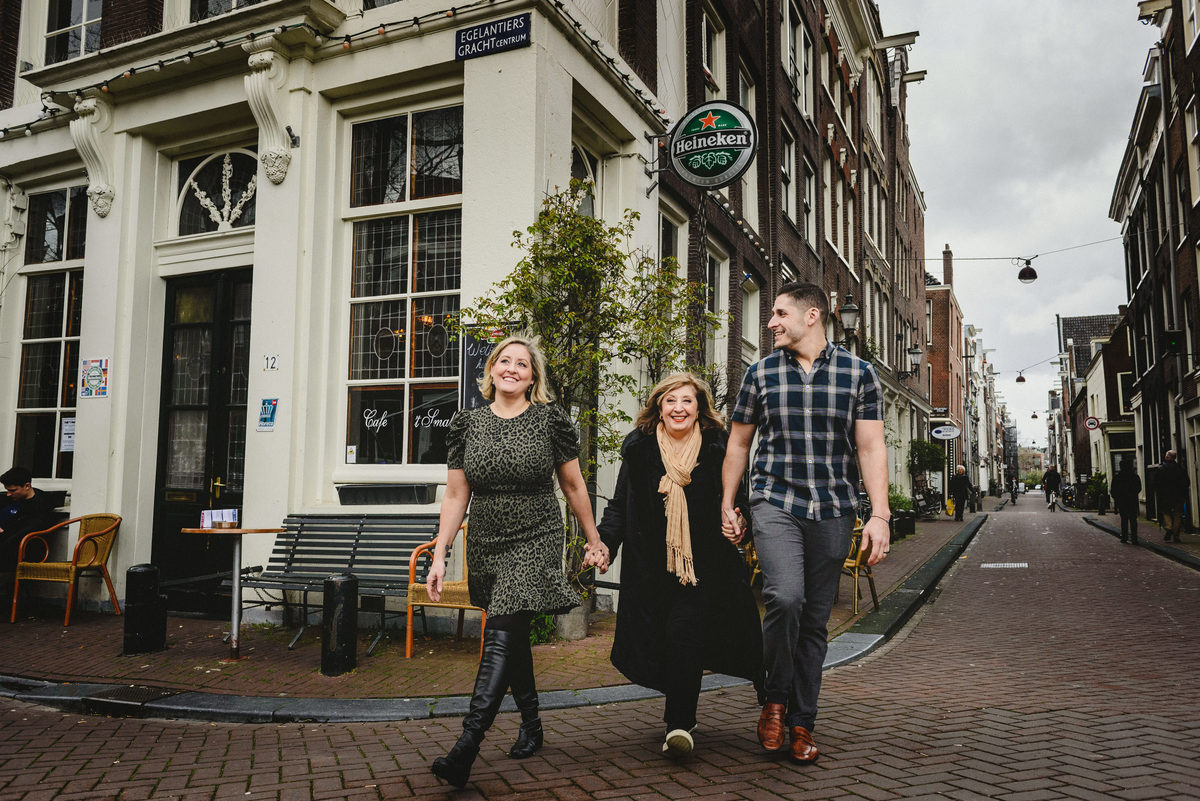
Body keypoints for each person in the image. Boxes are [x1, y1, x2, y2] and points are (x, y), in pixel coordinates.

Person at [425, 335, 610, 788]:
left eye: (522, 364)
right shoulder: (466, 423)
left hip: (536, 533)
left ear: (533, 377)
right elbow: (455, 494)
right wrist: (440, 552)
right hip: (488, 536)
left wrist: (595, 539)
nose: (511, 368)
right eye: (503, 361)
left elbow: (572, 486)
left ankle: (468, 742)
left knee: (501, 627)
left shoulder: (550, 421)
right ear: (490, 371)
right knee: (511, 629)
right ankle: (532, 723)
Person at [721, 282, 890, 765]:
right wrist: (728, 503)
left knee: (815, 620)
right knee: (785, 597)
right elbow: (738, 444)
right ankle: (774, 701)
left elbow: (871, 447)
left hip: (834, 508)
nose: (770, 322)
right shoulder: (760, 373)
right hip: (775, 501)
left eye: (779, 313)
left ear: (811, 315)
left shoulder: (859, 375)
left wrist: (879, 514)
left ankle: (802, 722)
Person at [597, 373, 762, 759]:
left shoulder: (719, 447)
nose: (678, 408)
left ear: (699, 408)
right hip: (651, 570)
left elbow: (741, 501)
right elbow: (621, 505)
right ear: (658, 407)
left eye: (687, 401)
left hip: (705, 568)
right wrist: (605, 543)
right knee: (665, 642)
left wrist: (740, 525)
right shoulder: (639, 449)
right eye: (670, 401)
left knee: (685, 632)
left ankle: (679, 723)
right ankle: (682, 716)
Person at [1, 467, 59, 569]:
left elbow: (25, 532)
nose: (8, 494)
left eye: (13, 490)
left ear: (27, 486)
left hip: (21, 550)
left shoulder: (40, 505)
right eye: (7, 490)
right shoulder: (11, 499)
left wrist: (3, 532)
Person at [1156, 450, 1188, 544]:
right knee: (1178, 515)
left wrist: (1159, 491)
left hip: (1165, 496)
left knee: (1166, 512)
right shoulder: (1180, 468)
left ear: (1167, 457)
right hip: (1178, 496)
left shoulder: (1161, 469)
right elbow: (1186, 482)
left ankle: (1169, 527)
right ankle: (1176, 536)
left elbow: (1156, 483)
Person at [1110, 458, 1142, 545]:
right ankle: (1134, 539)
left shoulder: (1117, 477)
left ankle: (1124, 538)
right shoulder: (1135, 477)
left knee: (1124, 520)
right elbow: (1139, 488)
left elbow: (1113, 490)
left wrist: (1117, 497)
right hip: (1132, 501)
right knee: (1133, 520)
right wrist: (1133, 494)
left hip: (1122, 501)